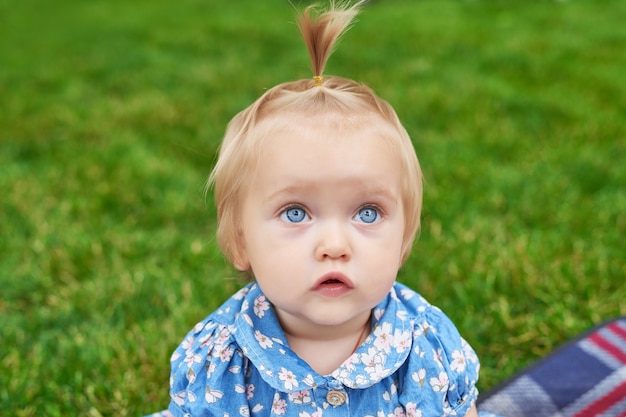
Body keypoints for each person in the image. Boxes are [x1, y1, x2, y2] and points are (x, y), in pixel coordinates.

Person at [165, 1, 486, 416]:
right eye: (296, 213)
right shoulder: (223, 359)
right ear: (239, 241)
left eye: (367, 213)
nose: (335, 245)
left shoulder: (425, 343)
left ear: (404, 239)